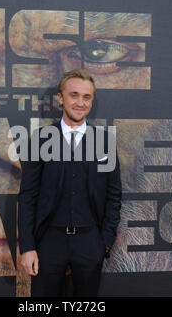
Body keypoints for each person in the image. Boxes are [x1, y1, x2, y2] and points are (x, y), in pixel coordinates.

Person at [18, 69, 122, 297]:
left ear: (92, 101)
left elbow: (114, 195)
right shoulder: (40, 139)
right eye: (74, 95)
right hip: (48, 242)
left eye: (86, 97)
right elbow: (27, 196)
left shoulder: (104, 141)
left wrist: (104, 242)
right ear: (60, 98)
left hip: (90, 242)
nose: (80, 103)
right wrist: (27, 247)